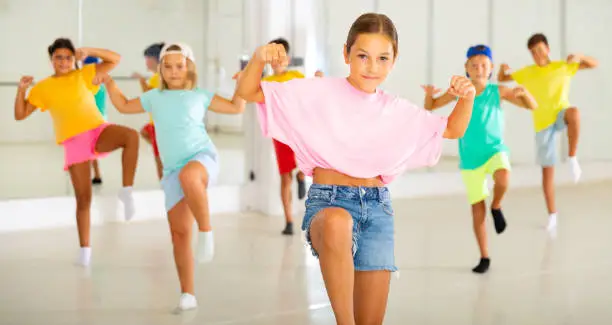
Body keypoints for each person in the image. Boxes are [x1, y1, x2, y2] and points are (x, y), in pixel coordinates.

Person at [237, 13, 475, 325]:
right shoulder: (316, 91)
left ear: (394, 60)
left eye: (382, 58)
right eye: (362, 56)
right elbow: (248, 91)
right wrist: (259, 58)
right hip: (329, 202)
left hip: (377, 211)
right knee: (337, 222)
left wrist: (468, 96)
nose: (372, 67)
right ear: (346, 53)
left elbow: (452, 130)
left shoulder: (397, 110)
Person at [101, 42, 245, 312]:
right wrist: (108, 82)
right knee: (179, 234)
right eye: (167, 66)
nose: (173, 71)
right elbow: (122, 105)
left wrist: (245, 82)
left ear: (189, 66)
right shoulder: (154, 96)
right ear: (161, 70)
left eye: (179, 65)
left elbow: (237, 107)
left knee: (190, 177)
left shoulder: (200, 95)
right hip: (171, 170)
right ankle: (187, 294)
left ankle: (206, 232)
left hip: (201, 158)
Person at [14, 38, 139, 267]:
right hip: (74, 143)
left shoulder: (85, 74)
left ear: (74, 58)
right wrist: (21, 90)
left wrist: (88, 51)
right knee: (84, 199)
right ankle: (84, 250)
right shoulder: (43, 87)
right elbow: (20, 115)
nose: (63, 61)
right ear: (51, 59)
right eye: (58, 57)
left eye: (68, 57)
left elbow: (115, 59)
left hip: (97, 131)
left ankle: (127, 191)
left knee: (131, 136)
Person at [423, 45, 538, 273]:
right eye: (473, 65)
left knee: (503, 178)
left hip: (495, 149)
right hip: (470, 158)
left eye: (483, 65)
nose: (478, 69)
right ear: (466, 68)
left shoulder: (498, 91)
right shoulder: (460, 91)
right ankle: (484, 256)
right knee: (477, 208)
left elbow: (532, 106)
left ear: (491, 68)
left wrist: (525, 93)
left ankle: (497, 205)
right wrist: (429, 94)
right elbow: (432, 106)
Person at [497, 33, 598, 231]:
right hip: (542, 124)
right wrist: (503, 69)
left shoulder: (562, 67)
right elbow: (503, 78)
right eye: (533, 52)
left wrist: (579, 56)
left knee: (574, 113)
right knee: (547, 173)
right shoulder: (527, 72)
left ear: (548, 49)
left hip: (561, 114)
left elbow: (594, 64)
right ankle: (552, 215)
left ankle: (572, 157)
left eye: (540, 50)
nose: (538, 55)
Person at [262, 37, 313, 235]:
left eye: (280, 56)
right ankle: (289, 220)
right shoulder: (266, 82)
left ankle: (301, 175)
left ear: (288, 58)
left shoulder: (297, 76)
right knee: (284, 178)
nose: (276, 60)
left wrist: (318, 79)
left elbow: (311, 95)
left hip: (299, 132)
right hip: (280, 135)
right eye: (272, 56)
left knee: (305, 166)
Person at [133, 42, 165, 180]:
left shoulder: (158, 77)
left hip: (159, 125)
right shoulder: (158, 77)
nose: (146, 62)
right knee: (144, 132)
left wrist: (141, 80)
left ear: (154, 59)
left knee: (158, 157)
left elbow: (149, 96)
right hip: (155, 124)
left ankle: (164, 182)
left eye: (147, 58)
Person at [83, 56, 108, 185]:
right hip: (99, 119)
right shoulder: (101, 81)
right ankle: (96, 175)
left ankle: (91, 175)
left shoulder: (90, 82)